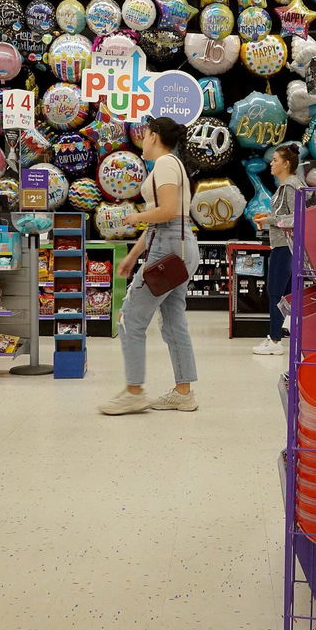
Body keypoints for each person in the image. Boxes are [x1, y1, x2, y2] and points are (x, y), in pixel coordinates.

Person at [100, 118, 200, 416]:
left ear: (153, 136)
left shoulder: (166, 164)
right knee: (173, 321)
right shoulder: (173, 164)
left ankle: (134, 392)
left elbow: (167, 211)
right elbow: (169, 217)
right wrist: (133, 255)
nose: (141, 140)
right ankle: (183, 392)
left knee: (130, 319)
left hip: (167, 247)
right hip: (178, 247)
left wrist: (134, 218)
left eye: (144, 135)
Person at [252, 145, 303, 356]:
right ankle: (282, 337)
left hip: (285, 247)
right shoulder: (291, 185)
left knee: (275, 293)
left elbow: (296, 217)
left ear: (286, 163)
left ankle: (274, 340)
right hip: (287, 246)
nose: (271, 164)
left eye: (274, 160)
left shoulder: (290, 186)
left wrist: (268, 220)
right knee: (286, 295)